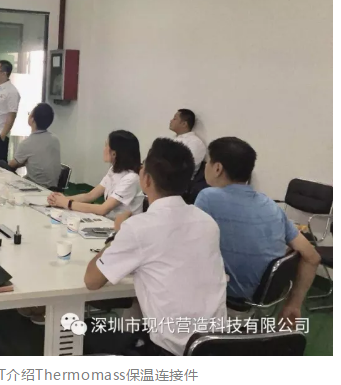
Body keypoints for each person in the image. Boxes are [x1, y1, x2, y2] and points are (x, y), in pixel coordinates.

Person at [84, 138, 227, 356]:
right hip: (216, 346)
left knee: (83, 330)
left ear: (146, 179)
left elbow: (92, 281)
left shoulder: (138, 228)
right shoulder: (208, 222)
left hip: (170, 352)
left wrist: (117, 235)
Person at [195, 137, 321, 321]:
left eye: (208, 161)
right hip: (259, 300)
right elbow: (312, 257)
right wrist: (293, 305)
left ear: (217, 168)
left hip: (224, 300)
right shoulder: (271, 206)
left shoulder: (208, 197)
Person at [48, 130, 143, 221]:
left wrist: (67, 203)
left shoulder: (131, 179)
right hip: (109, 221)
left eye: (106, 145)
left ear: (114, 153)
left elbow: (102, 209)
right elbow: (90, 195)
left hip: (123, 227)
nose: (104, 149)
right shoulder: (114, 170)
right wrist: (59, 199)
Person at [0, 103, 61, 189]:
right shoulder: (55, 140)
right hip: (53, 188)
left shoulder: (27, 143)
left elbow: (12, 165)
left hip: (35, 188)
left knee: (0, 163)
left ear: (32, 119)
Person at [169, 108, 206, 176]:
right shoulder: (173, 140)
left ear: (184, 124)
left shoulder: (195, 142)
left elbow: (186, 167)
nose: (171, 120)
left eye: (175, 119)